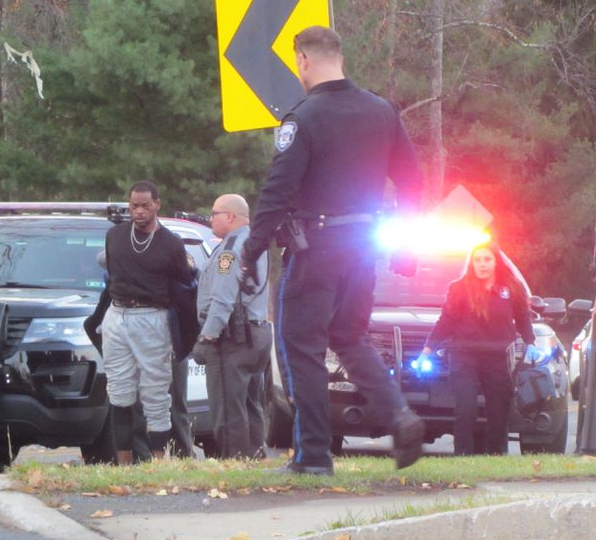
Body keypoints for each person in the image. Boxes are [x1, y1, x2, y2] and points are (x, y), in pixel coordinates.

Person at [239, 26, 426, 475]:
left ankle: (314, 455)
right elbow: (414, 181)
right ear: (338, 56)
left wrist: (250, 251)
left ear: (303, 59)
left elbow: (276, 193)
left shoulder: (304, 118)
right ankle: (399, 416)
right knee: (349, 337)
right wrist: (407, 246)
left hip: (316, 248)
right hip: (362, 250)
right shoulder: (383, 111)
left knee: (301, 346)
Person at [103, 181, 193, 465]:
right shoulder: (115, 236)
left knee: (155, 394)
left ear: (157, 204)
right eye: (133, 205)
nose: (139, 211)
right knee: (119, 393)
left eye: (144, 205)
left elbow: (184, 284)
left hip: (151, 317)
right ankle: (124, 465)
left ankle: (157, 462)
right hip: (117, 316)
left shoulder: (171, 243)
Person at [419, 242, 537, 455]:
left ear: (496, 262)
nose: (482, 264)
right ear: (471, 263)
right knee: (466, 407)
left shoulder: (511, 287)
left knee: (498, 410)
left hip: (499, 356)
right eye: (477, 260)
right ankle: (462, 456)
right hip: (465, 355)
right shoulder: (459, 288)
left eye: (487, 259)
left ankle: (497, 456)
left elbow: (522, 317)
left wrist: (530, 342)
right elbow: (446, 321)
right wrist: (427, 349)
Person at [192, 194, 273, 459]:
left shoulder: (231, 248)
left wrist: (208, 334)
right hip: (256, 331)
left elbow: (224, 297)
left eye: (214, 213)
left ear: (230, 216)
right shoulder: (254, 243)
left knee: (227, 405)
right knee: (250, 403)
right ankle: (255, 456)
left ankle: (233, 462)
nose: (210, 218)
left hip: (233, 337)